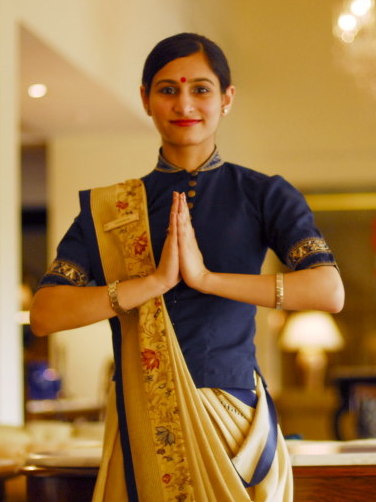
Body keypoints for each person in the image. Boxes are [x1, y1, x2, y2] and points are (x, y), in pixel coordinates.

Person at [30, 32, 344, 502]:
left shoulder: (263, 194)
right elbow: (46, 314)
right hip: (142, 414)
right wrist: (150, 283)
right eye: (167, 89)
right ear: (145, 99)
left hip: (234, 416)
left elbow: (327, 291)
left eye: (200, 88)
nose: (185, 103)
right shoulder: (110, 208)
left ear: (226, 98)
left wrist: (206, 279)